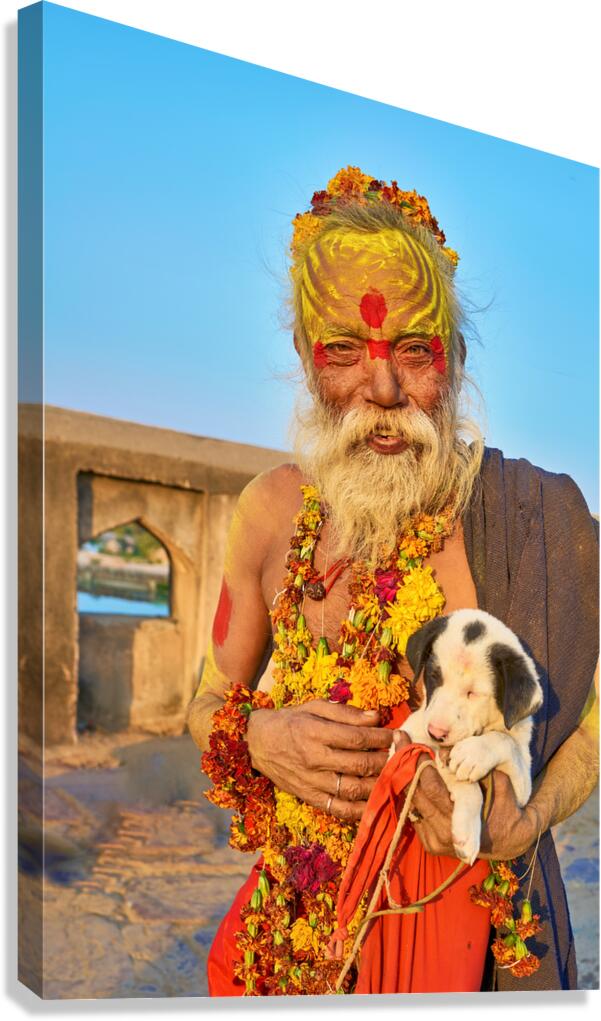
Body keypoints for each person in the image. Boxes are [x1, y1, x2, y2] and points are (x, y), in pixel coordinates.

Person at [186, 166, 598, 995]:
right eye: (344, 350)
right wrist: (261, 736)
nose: (381, 388)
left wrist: (528, 813)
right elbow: (204, 703)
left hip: (464, 939)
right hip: (298, 932)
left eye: (415, 351)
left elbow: (590, 722)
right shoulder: (269, 512)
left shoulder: (530, 516)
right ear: (304, 358)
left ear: (456, 357)